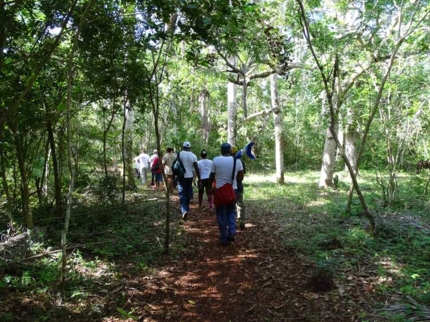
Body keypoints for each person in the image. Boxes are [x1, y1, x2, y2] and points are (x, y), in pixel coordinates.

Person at [209, 143, 244, 245]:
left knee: (221, 214)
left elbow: (211, 176)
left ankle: (224, 237)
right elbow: (241, 178)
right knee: (231, 212)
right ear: (230, 151)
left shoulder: (216, 160)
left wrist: (209, 188)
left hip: (220, 191)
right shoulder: (237, 160)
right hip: (233, 191)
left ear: (221, 150)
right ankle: (232, 231)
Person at [177, 141, 201, 220]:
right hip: (190, 177)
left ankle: (184, 210)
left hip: (181, 176)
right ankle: (186, 209)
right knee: (187, 193)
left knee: (182, 193)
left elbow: (176, 165)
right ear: (190, 147)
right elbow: (196, 168)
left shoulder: (180, 154)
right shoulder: (193, 156)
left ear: (183, 147)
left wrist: (174, 177)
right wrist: (199, 179)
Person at [231, 146, 246, 229]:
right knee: (239, 204)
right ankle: (242, 221)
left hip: (229, 187)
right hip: (239, 185)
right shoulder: (240, 161)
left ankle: (232, 222)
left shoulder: (227, 162)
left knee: (230, 205)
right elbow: (242, 175)